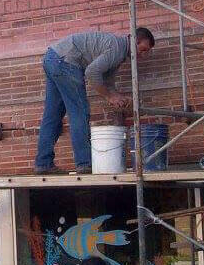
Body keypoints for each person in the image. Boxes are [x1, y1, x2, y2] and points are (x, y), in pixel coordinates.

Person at [34, 27, 155, 175]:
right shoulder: (117, 49)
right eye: (143, 50)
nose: (143, 55)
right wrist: (109, 97)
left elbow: (107, 82)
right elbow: (92, 72)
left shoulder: (118, 50)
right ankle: (84, 163)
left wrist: (117, 96)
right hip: (65, 61)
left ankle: (43, 164)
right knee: (80, 112)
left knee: (52, 115)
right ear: (135, 41)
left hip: (52, 57)